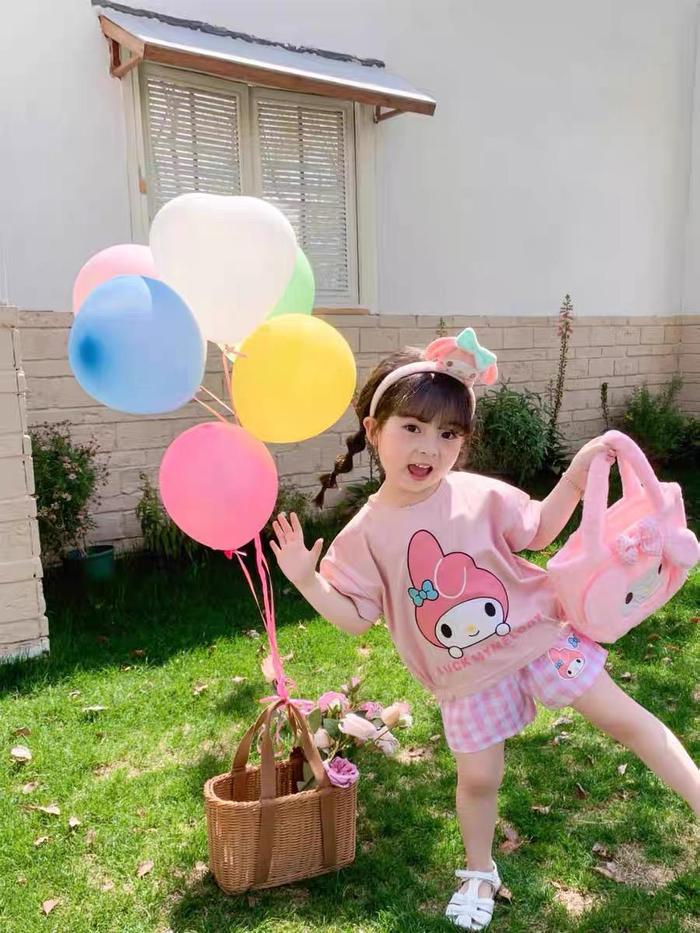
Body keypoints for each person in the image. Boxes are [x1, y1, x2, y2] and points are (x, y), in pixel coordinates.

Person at [270, 329, 700, 930]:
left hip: (540, 638)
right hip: (465, 677)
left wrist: (577, 474)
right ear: (374, 430)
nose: (429, 447)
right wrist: (307, 580)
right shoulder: (363, 535)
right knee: (478, 779)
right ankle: (478, 872)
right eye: (412, 427)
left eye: (449, 434)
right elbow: (357, 617)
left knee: (629, 722)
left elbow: (540, 529)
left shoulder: (477, 494)